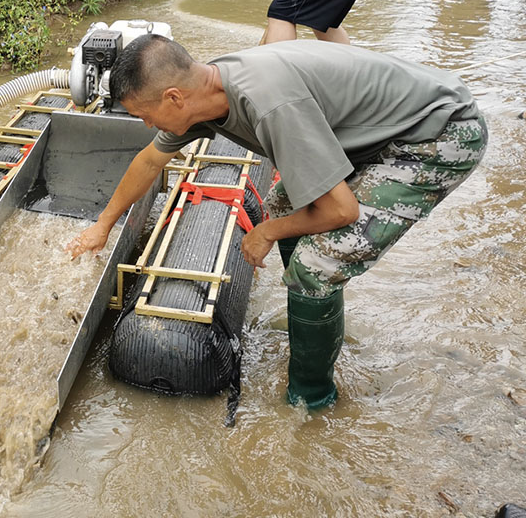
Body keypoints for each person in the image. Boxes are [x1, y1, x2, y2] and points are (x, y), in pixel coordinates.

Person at [67, 34, 487, 409]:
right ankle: (310, 317)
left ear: (174, 97)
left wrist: (266, 233)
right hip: (380, 131)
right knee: (284, 203)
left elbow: (342, 212)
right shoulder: (205, 92)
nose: (147, 125)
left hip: (436, 135)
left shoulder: (268, 104)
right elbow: (149, 161)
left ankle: (312, 398)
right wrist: (104, 224)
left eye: (145, 115)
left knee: (317, 264)